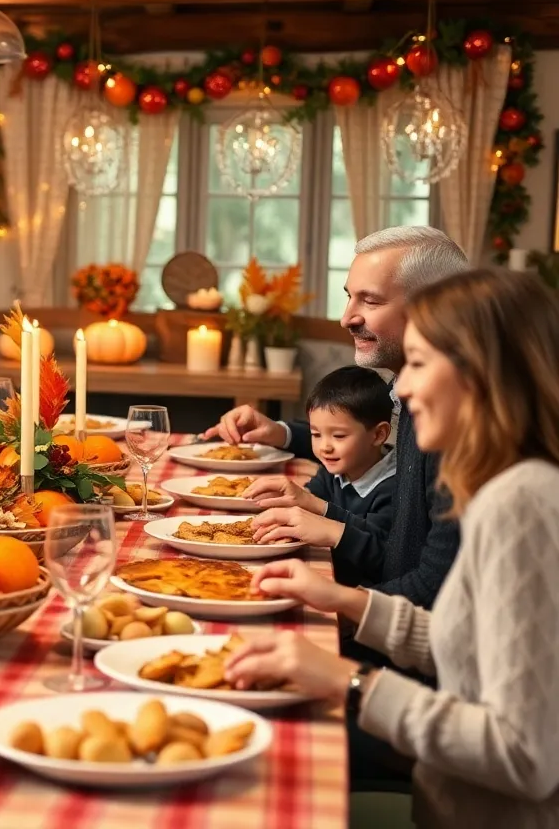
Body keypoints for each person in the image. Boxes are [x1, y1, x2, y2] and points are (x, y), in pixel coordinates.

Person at [225, 269, 559, 827]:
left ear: (481, 374)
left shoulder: (521, 503)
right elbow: (470, 648)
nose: (400, 389)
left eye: (420, 365)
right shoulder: (505, 483)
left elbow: (523, 754)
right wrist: (342, 601)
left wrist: (346, 682)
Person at [204, 226, 468, 609]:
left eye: (370, 301)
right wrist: (281, 433)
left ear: (433, 308)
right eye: (349, 297)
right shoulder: (414, 395)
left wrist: (332, 608)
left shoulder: (457, 423)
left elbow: (433, 591)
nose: (346, 318)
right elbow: (371, 450)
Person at [243, 365, 396, 588]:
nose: (325, 447)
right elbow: (310, 499)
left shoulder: (392, 489)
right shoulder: (335, 468)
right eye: (316, 434)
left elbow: (377, 554)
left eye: (339, 436)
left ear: (378, 434)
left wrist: (316, 506)